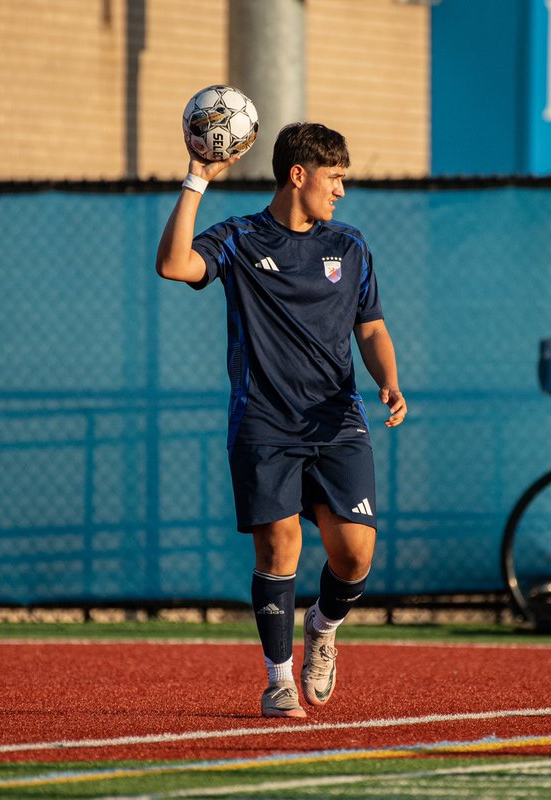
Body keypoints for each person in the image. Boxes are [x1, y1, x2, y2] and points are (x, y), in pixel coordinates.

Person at [155, 121, 407, 719]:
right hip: (264, 420)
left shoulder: (350, 246)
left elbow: (369, 327)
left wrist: (388, 379)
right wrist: (198, 177)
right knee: (280, 545)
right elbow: (173, 265)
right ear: (299, 175)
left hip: (335, 419)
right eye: (334, 177)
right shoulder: (240, 237)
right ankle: (278, 680)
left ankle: (323, 627)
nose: (341, 190)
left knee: (355, 555)